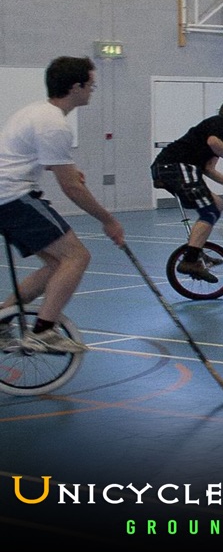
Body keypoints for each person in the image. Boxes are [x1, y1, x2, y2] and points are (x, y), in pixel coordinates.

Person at [0, 56, 125, 353]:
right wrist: (108, 220)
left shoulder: (37, 112)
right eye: (91, 85)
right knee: (77, 257)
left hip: (7, 196)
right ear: (75, 86)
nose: (93, 90)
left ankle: (3, 317)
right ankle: (43, 331)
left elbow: (39, 161)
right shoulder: (54, 124)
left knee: (57, 263)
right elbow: (70, 188)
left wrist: (66, 170)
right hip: (11, 197)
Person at [151, 98, 223, 282]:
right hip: (175, 166)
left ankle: (195, 250)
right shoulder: (221, 123)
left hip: (176, 169)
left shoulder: (221, 132)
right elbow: (214, 142)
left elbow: (209, 169)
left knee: (217, 204)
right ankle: (190, 260)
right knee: (209, 210)